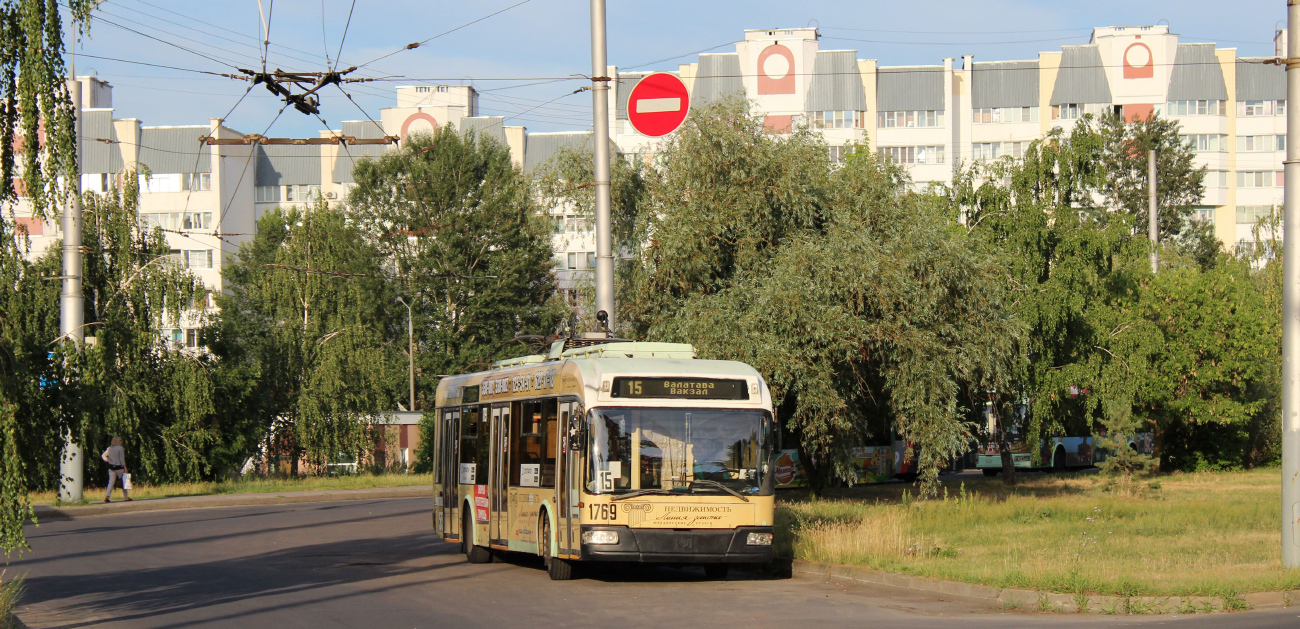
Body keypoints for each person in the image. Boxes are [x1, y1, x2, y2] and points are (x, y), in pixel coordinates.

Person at [101, 436, 132, 503]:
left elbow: (103, 455)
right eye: (120, 440)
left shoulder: (110, 448)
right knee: (123, 482)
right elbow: (121, 459)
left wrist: (107, 460)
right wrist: (125, 467)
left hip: (111, 467)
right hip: (119, 467)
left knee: (111, 482)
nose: (122, 441)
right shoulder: (120, 448)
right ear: (117, 441)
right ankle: (126, 497)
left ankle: (107, 496)